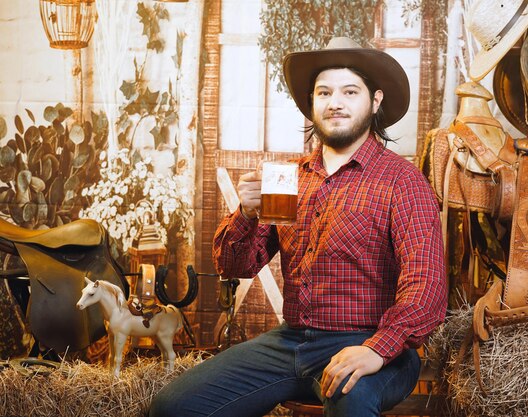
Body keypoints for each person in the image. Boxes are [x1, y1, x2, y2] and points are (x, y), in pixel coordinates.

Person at [149, 36, 447, 417]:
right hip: (289, 342)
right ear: (312, 104)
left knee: (351, 401)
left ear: (375, 101)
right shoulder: (289, 179)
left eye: (349, 91)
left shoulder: (402, 182)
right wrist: (246, 212)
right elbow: (234, 266)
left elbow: (427, 287)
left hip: (372, 343)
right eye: (324, 92)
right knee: (171, 408)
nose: (335, 102)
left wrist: (377, 349)